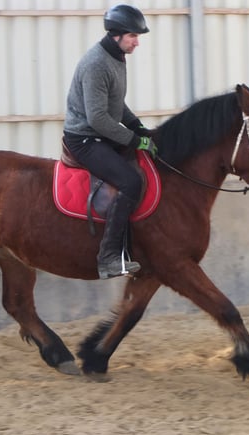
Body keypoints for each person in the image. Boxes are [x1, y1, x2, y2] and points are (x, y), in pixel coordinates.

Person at [63, 4, 158, 279]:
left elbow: (116, 103)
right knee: (131, 181)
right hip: (85, 138)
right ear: (116, 35)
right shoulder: (96, 63)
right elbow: (98, 119)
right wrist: (134, 140)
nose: (137, 42)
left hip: (101, 133)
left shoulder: (116, 57)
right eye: (133, 36)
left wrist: (138, 127)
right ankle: (108, 258)